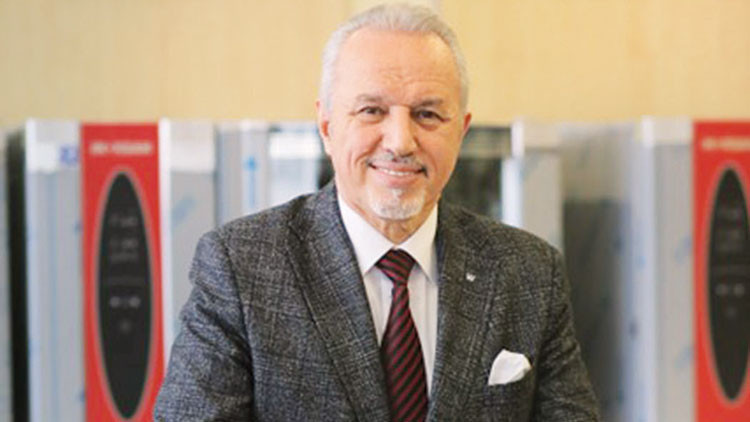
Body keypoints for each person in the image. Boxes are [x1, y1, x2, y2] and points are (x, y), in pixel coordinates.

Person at [154, 3, 600, 421]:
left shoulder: (529, 273)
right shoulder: (240, 267)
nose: (400, 141)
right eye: (372, 111)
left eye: (427, 114)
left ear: (461, 132)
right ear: (327, 126)